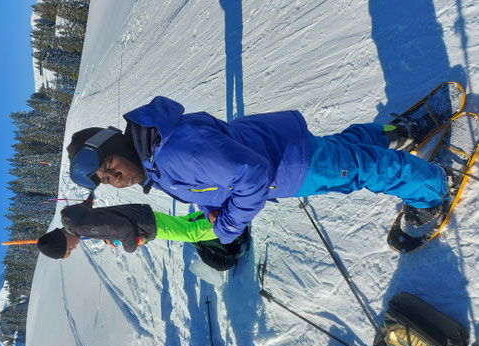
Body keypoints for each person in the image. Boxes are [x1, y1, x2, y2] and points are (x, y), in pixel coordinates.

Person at [67, 96, 448, 244]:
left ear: (118, 145)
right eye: (104, 180)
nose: (114, 179)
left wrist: (227, 227)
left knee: (359, 169)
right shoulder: (154, 157)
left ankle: (430, 190)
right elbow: (214, 180)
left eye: (109, 166)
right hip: (280, 147)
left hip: (290, 165)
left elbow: (252, 176)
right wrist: (215, 207)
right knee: (344, 149)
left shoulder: (172, 152)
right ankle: (395, 134)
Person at [37, 200, 247, 267]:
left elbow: (123, 228)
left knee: (190, 233)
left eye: (68, 250)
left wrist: (129, 247)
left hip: (144, 224)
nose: (73, 249)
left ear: (62, 242)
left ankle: (233, 222)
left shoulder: (82, 229)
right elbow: (100, 218)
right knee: (185, 224)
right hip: (141, 214)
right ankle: (220, 212)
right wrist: (109, 236)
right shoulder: (71, 218)